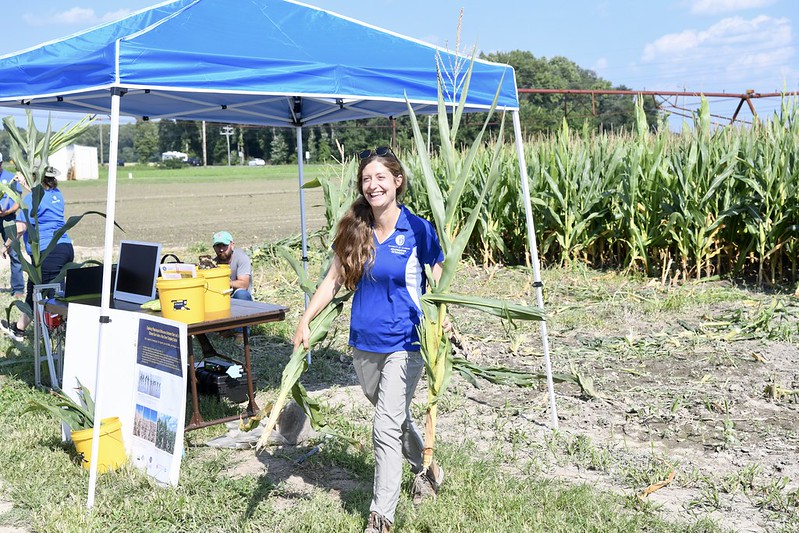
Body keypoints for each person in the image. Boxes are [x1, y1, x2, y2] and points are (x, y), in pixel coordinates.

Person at [293, 147, 445, 533]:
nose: (373, 185)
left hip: (406, 343)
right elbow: (332, 281)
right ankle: (427, 466)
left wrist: (443, 321)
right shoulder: (354, 228)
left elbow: (439, 274)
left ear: (397, 181)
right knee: (394, 419)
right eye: (366, 179)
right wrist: (306, 319)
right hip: (364, 342)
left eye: (380, 177)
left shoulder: (418, 229)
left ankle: (381, 517)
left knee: (383, 427)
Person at [1, 166, 74, 342]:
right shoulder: (57, 194)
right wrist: (27, 185)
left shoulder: (31, 200)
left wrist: (6, 246)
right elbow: (40, 197)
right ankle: (19, 330)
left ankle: (58, 334)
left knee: (50, 297)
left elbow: (20, 227)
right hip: (65, 248)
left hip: (48, 252)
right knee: (35, 291)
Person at [0, 152, 24, 298]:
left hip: (7, 218)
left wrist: (7, 211)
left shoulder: (11, 178)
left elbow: (18, 202)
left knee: (14, 251)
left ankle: (18, 289)